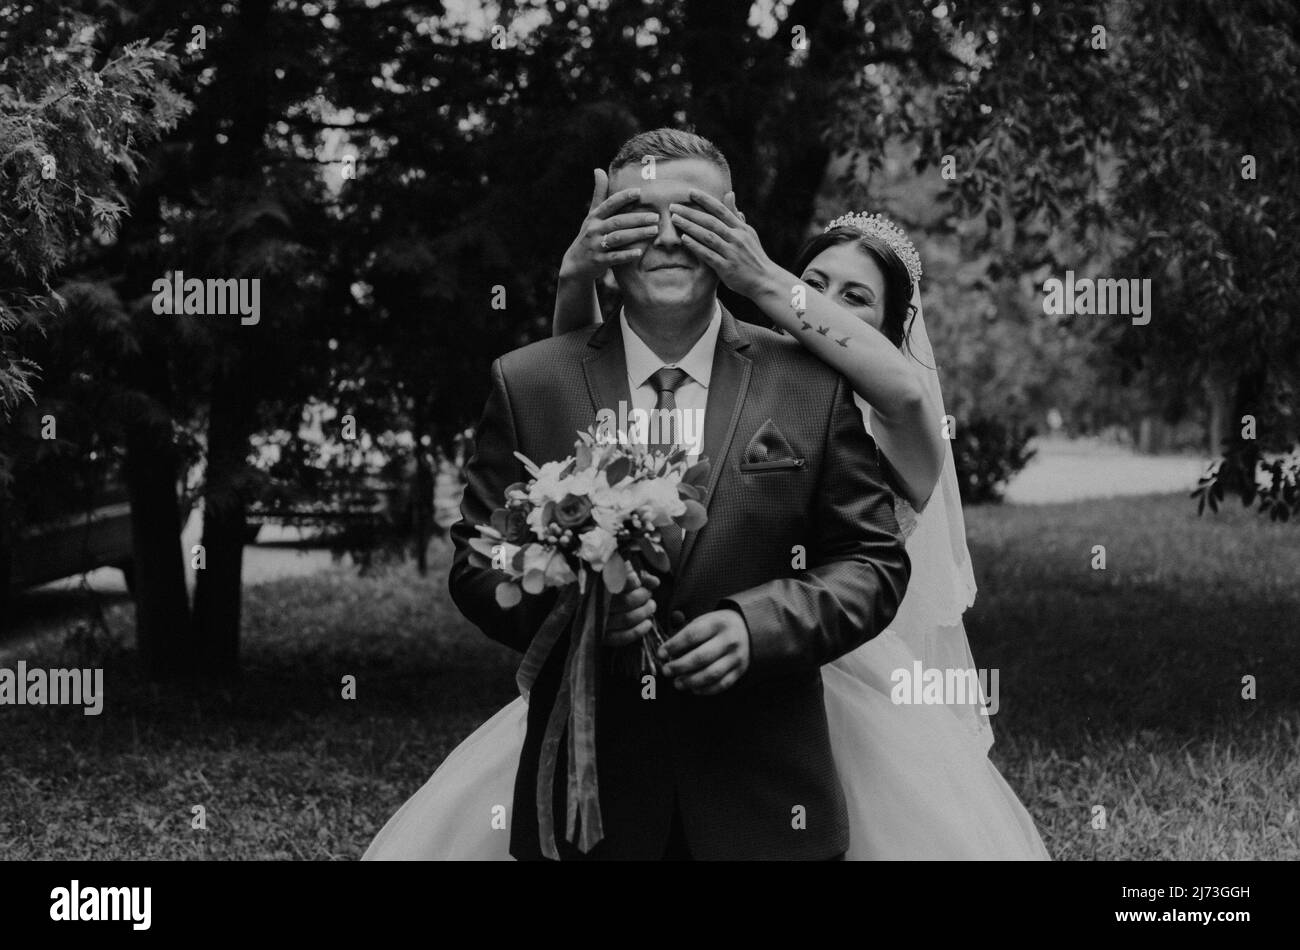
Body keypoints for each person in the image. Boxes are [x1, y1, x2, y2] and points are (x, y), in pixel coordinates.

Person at [364, 128, 1048, 860]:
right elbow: (481, 559)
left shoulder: (816, 386)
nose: (667, 237)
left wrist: (759, 625)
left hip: (767, 786)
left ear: (731, 233)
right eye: (641, 216)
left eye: (691, 217)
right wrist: (573, 607)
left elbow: (870, 560)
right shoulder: (529, 379)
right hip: (591, 798)